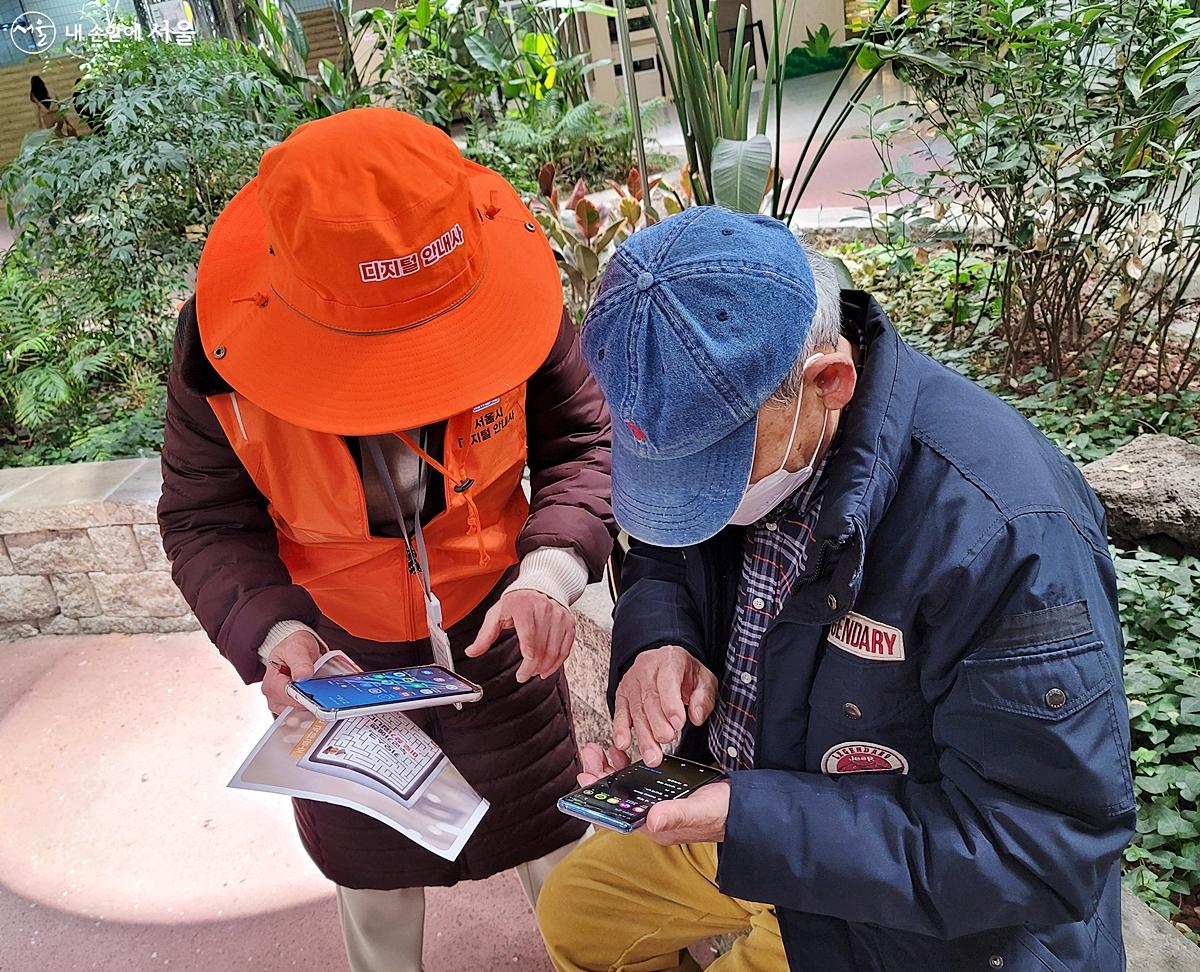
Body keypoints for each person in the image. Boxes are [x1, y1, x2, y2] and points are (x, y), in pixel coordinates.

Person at [537, 207, 1134, 971]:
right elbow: (664, 547)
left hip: (902, 903)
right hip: (741, 812)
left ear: (829, 382)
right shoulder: (742, 416)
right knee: (576, 915)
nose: (695, 501)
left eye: (714, 471)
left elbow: (1038, 847)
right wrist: (661, 641)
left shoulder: (1003, 533)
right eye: (665, 474)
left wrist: (757, 820)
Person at [157, 107, 615, 972]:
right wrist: (271, 632)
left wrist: (551, 571)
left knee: (562, 845)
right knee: (370, 876)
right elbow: (205, 517)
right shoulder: (222, 347)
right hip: (339, 652)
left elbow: (584, 443)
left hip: (501, 623)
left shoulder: (511, 287)